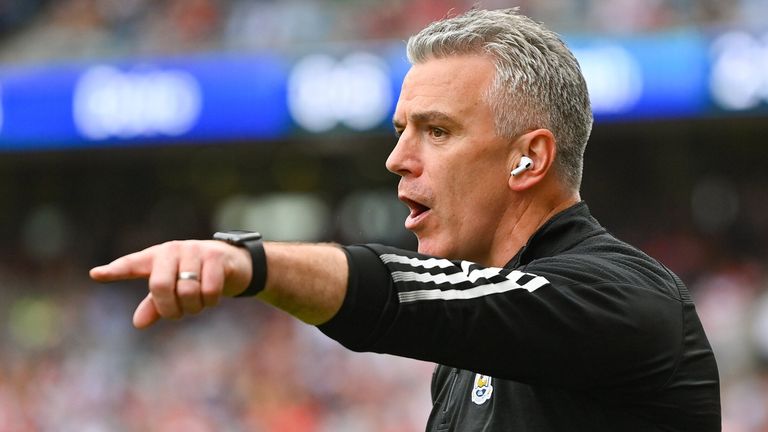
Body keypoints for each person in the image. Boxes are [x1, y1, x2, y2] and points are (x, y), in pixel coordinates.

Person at [90, 8, 721, 431]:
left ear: (529, 158)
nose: (397, 160)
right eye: (401, 132)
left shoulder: (627, 299)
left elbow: (417, 296)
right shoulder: (465, 354)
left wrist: (251, 261)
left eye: (437, 131)